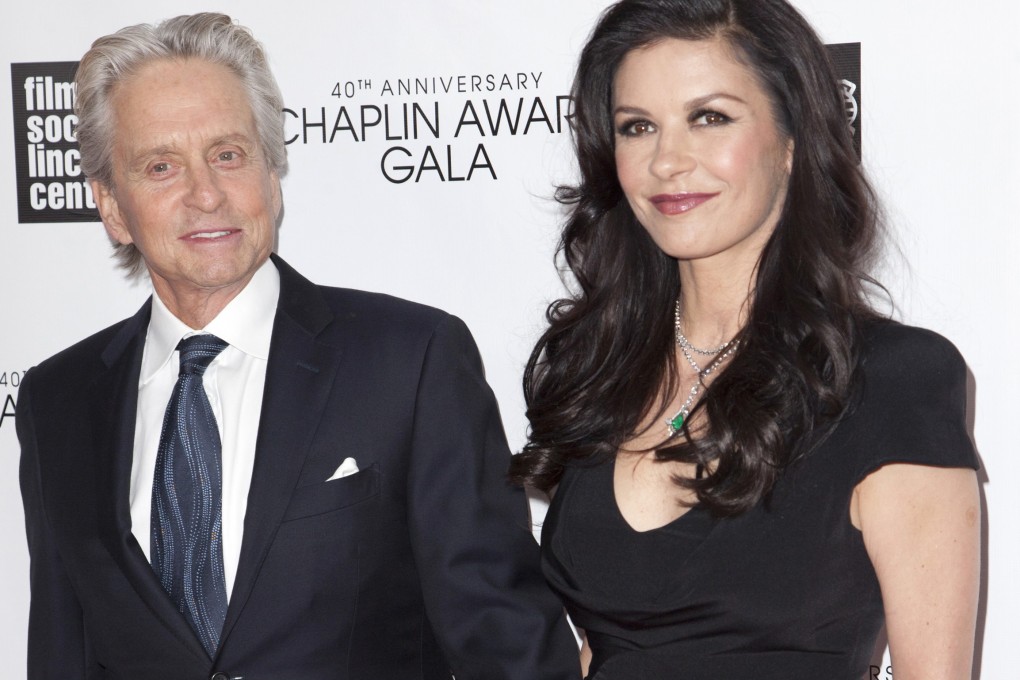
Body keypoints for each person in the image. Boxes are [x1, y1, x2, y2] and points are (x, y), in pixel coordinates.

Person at [17, 13, 580, 680]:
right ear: (111, 207)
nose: (205, 193)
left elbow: (505, 643)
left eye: (228, 154)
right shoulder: (58, 400)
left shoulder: (410, 362)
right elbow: (62, 650)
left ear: (273, 175)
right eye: (161, 166)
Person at [509, 1, 980, 678]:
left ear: (791, 141)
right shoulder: (598, 374)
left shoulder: (890, 379)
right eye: (638, 127)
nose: (668, 160)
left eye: (710, 118)